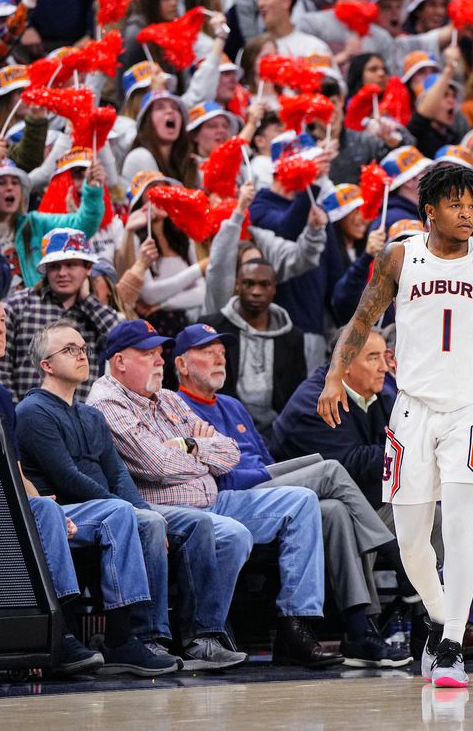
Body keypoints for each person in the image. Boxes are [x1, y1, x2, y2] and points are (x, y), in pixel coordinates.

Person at [317, 163, 473, 688]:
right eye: (456, 204)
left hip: (471, 409)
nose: (467, 213)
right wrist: (335, 375)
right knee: (412, 543)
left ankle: (450, 646)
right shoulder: (400, 255)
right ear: (430, 211)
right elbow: (361, 319)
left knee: (460, 528)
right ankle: (442, 620)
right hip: (413, 410)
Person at [0, 291, 175, 676]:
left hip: (5, 506)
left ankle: (117, 638)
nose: (1, 327)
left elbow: (18, 473)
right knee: (52, 508)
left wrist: (41, 508)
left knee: (88, 510)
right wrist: (40, 509)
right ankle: (61, 633)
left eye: (2, 319)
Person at [88, 319, 344, 668]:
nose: (160, 361)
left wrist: (192, 445)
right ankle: (202, 634)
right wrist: (203, 456)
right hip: (164, 508)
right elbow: (157, 464)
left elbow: (230, 452)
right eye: (149, 354)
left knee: (300, 500)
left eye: (160, 354)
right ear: (120, 361)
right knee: (232, 534)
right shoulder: (108, 403)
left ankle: (295, 625)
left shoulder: (163, 398)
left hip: (214, 499)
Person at [171, 322, 408, 668]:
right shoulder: (176, 407)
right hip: (231, 493)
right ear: (181, 364)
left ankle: (356, 627)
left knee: (335, 510)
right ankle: (394, 554)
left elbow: (265, 457)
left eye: (222, 353)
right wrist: (261, 473)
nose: (220, 360)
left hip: (265, 485)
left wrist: (266, 472)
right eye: (208, 354)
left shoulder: (233, 406)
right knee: (329, 470)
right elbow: (204, 474)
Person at [15, 320, 248, 671]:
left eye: (82, 348)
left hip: (109, 506)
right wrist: (129, 509)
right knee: (134, 518)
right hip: (68, 508)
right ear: (46, 365)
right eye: (69, 350)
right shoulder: (33, 410)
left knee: (195, 523)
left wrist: (138, 507)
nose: (81, 355)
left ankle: (201, 636)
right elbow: (67, 477)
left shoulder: (90, 414)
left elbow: (117, 473)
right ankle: (140, 635)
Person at [0, 228, 120, 402]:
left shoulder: (96, 313)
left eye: (71, 265)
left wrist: (87, 301)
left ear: (88, 268)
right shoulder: (18, 305)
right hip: (25, 417)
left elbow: (122, 341)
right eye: (54, 266)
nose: (62, 273)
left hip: (80, 419)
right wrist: (13, 412)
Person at [200, 258, 306, 439]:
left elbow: (295, 392)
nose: (256, 292)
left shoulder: (292, 336)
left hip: (278, 428)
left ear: (274, 288)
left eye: (264, 285)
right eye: (248, 283)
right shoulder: (212, 327)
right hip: (222, 425)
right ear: (237, 285)